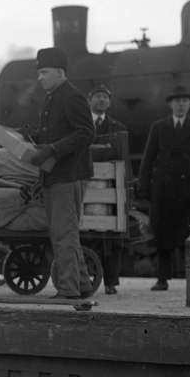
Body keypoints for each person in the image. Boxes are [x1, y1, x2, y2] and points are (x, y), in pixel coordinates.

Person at [30, 48, 96, 300]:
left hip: (66, 177)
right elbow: (56, 135)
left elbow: (87, 133)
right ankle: (82, 284)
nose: (40, 77)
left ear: (59, 72)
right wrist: (34, 136)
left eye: (44, 72)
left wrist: (53, 149)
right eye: (39, 73)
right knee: (64, 233)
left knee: (63, 234)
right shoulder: (53, 97)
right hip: (54, 175)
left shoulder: (71, 96)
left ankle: (68, 289)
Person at [137, 84, 190, 291]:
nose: (181, 104)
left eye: (184, 101)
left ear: (189, 105)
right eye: (177, 101)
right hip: (164, 188)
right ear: (170, 105)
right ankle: (162, 278)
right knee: (162, 233)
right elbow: (148, 157)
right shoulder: (158, 127)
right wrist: (144, 185)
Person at [89, 84, 128, 295]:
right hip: (86, 182)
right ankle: (85, 277)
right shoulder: (81, 124)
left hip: (110, 186)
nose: (102, 100)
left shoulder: (117, 127)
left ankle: (110, 281)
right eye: (98, 96)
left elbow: (123, 156)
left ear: (110, 102)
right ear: (90, 100)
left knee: (111, 234)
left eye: (105, 97)